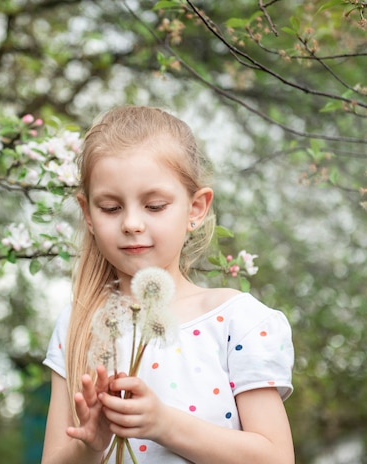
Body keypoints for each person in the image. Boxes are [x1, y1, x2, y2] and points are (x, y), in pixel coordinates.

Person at [41, 106, 294, 463]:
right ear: (88, 214)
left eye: (154, 206)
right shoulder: (78, 323)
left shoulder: (236, 322)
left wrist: (163, 424)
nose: (131, 223)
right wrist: (89, 446)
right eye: (111, 208)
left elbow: (276, 458)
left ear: (195, 208)